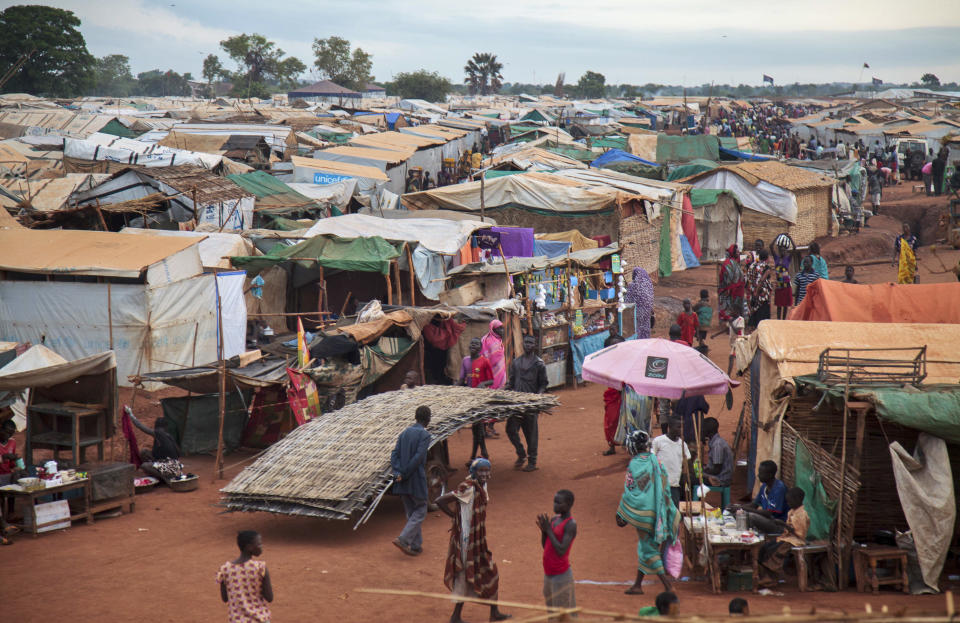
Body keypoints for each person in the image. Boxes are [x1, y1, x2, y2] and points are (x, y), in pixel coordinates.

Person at [436, 458, 511, 623]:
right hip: (467, 541)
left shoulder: (481, 486)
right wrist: (454, 518)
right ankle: (457, 617)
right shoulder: (468, 488)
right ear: (474, 472)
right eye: (481, 471)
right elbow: (440, 501)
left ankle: (493, 612)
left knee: (489, 570)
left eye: (486, 470)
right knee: (466, 574)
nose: (484, 474)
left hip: (478, 539)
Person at [617, 430, 678, 596]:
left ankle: (668, 586)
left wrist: (622, 512)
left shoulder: (634, 465)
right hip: (658, 512)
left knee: (649, 550)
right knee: (646, 547)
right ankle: (637, 585)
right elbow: (664, 485)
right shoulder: (656, 461)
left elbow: (631, 491)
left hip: (644, 514)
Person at [390, 405, 432, 556]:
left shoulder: (404, 433)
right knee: (420, 509)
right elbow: (418, 458)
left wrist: (398, 472)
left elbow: (394, 454)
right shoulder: (425, 435)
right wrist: (406, 473)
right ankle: (404, 539)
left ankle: (415, 545)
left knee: (411, 512)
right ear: (428, 419)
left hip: (402, 479)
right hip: (415, 479)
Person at [505, 335, 548, 472]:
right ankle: (521, 453)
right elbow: (511, 383)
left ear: (535, 345)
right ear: (522, 344)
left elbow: (543, 384)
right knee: (510, 429)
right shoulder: (516, 362)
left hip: (530, 405)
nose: (528, 345)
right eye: (526, 342)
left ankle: (532, 461)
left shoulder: (539, 364)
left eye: (531, 343)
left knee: (531, 434)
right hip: (516, 404)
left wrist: (538, 397)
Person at [217, 530, 273, 623]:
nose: (261, 547)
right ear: (249, 547)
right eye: (259, 544)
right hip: (259, 619)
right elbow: (269, 598)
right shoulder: (260, 567)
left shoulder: (224, 569)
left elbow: (225, 598)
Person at [758, 487, 809, 587]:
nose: (788, 504)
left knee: (777, 551)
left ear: (798, 500)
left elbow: (800, 533)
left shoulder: (802, 514)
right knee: (766, 547)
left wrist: (784, 525)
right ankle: (765, 575)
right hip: (786, 538)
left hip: (796, 540)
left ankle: (772, 577)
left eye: (790, 501)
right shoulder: (792, 511)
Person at [537, 489, 578, 615]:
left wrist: (549, 530)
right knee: (552, 612)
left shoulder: (570, 524)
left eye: (559, 503)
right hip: (548, 574)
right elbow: (546, 546)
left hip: (561, 576)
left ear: (569, 504)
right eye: (554, 501)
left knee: (563, 615)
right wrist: (544, 531)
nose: (555, 505)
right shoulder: (554, 520)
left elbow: (561, 550)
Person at [461, 338, 493, 465]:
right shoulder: (465, 361)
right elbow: (461, 379)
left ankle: (475, 456)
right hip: (469, 398)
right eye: (472, 343)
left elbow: (491, 380)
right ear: (469, 346)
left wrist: (482, 383)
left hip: (480, 399)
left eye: (477, 344)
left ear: (480, 348)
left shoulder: (485, 361)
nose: (473, 346)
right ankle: (482, 453)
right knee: (477, 428)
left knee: (477, 426)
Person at [651, 418, 690, 508]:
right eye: (678, 427)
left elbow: (686, 462)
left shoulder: (683, 444)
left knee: (673, 510)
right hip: (659, 484)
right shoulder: (659, 441)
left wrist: (685, 478)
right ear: (670, 427)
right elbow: (652, 458)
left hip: (674, 485)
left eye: (682, 427)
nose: (681, 430)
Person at [480, 319, 507, 438]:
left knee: (498, 402)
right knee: (489, 402)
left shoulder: (499, 340)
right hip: (490, 377)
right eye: (499, 328)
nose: (502, 330)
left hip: (500, 376)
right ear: (493, 329)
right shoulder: (488, 341)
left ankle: (491, 426)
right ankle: (485, 428)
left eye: (502, 328)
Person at [700, 417, 733, 506]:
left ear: (708, 431)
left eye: (703, 429)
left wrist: (703, 472)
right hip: (720, 475)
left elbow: (716, 469)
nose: (701, 431)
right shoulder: (715, 442)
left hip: (721, 479)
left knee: (693, 480)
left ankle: (698, 505)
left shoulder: (717, 445)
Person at [602, 334, 626, 456]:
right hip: (614, 394)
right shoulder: (608, 361)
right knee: (611, 420)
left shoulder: (628, 360)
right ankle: (612, 445)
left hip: (628, 394)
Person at [718, 245, 746, 326]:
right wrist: (730, 288)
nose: (738, 253)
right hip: (730, 290)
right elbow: (727, 279)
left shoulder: (735, 262)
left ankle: (737, 324)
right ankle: (731, 325)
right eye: (737, 251)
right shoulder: (728, 263)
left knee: (737, 308)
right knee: (730, 309)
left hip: (737, 290)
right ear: (733, 252)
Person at [745, 249, 773, 328]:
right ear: (767, 258)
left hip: (752, 292)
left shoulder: (752, 265)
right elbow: (761, 281)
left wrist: (752, 293)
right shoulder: (766, 268)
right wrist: (756, 293)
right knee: (762, 321)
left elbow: (748, 280)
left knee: (754, 315)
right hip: (761, 296)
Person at [625, 267, 655, 339]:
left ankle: (638, 340)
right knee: (645, 326)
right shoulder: (649, 284)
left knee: (637, 327)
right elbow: (651, 298)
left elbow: (628, 300)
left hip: (637, 311)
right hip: (647, 311)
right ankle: (645, 339)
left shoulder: (633, 285)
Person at [770, 238, 793, 320]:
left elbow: (794, 248)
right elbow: (771, 246)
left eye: (784, 251)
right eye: (781, 251)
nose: (783, 252)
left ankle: (783, 320)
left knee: (785, 305)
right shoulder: (776, 258)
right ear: (779, 251)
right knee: (779, 305)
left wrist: (790, 239)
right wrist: (777, 237)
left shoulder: (788, 259)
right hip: (779, 285)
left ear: (786, 251)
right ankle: (779, 320)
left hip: (786, 285)